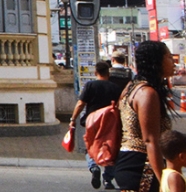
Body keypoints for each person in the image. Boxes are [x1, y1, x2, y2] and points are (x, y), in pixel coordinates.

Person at [115, 40, 176, 192]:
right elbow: (150, 141)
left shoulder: (131, 87)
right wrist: (163, 182)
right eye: (169, 57)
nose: (173, 62)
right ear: (157, 61)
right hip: (142, 166)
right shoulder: (147, 93)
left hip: (129, 161)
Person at [72, 61, 122, 189]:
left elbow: (81, 104)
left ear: (96, 72)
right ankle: (108, 179)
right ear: (108, 73)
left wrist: (73, 119)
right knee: (110, 148)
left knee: (90, 146)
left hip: (92, 122)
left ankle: (93, 166)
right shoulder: (115, 88)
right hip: (110, 123)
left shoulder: (90, 85)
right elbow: (120, 106)